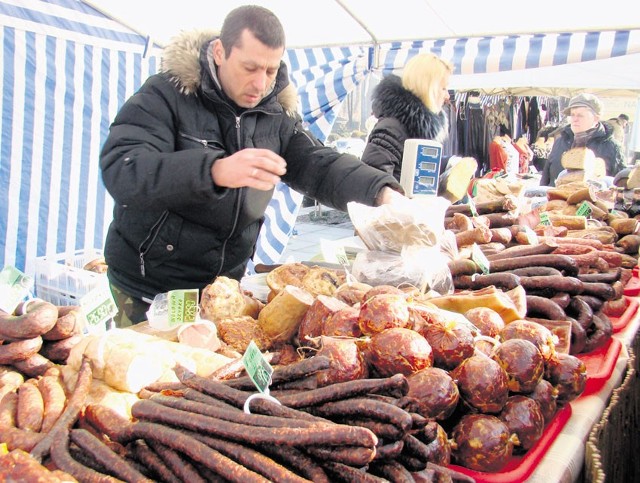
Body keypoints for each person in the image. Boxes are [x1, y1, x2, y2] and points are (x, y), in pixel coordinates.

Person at [99, 5, 401, 327]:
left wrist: (383, 192)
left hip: (223, 292)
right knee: (144, 374)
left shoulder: (275, 112)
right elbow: (124, 168)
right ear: (219, 52)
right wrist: (214, 170)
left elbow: (319, 164)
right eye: (250, 67)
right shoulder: (166, 94)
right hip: (150, 289)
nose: (260, 84)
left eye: (271, 71)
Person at [360, 53, 476, 202]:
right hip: (396, 222)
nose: (447, 96)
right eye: (443, 88)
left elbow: (410, 171)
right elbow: (372, 185)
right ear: (428, 87)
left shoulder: (415, 129)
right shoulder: (392, 128)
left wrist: (448, 164)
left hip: (409, 219)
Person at [540, 93, 625, 187]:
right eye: (572, 115)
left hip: (592, 201)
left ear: (596, 118)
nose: (575, 119)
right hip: (556, 199)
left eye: (580, 115)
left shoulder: (612, 147)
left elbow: (621, 185)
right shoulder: (560, 141)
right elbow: (546, 179)